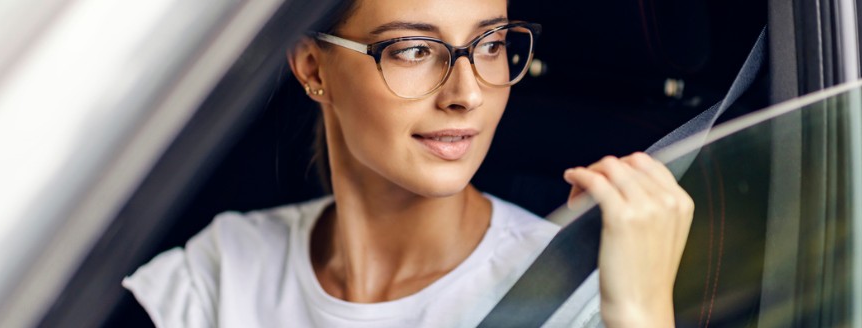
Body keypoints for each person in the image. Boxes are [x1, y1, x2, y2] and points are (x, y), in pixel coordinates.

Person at [123, 0, 694, 326]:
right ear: (313, 69)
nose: (467, 93)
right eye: (414, 50)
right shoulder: (223, 272)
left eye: (491, 43)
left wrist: (640, 312)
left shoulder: (570, 300)